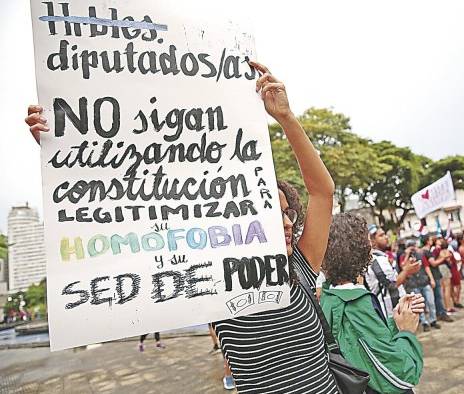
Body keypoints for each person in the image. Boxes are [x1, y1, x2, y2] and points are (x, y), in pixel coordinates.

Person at [26, 62, 339, 393]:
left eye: (288, 212)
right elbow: (133, 206)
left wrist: (286, 117)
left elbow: (323, 192)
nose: (287, 223)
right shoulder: (212, 283)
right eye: (272, 214)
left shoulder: (302, 268)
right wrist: (63, 146)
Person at [320, 213, 424, 394]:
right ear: (363, 250)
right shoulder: (355, 303)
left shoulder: (329, 296)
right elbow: (399, 376)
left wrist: (396, 322)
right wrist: (407, 332)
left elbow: (365, 349)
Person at [365, 227, 420, 317]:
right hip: (390, 312)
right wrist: (406, 271)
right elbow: (392, 285)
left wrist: (408, 270)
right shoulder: (377, 259)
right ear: (373, 241)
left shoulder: (382, 257)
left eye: (385, 234)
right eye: (381, 235)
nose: (386, 237)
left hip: (395, 309)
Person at [400, 241, 440, 332]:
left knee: (431, 302)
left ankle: (433, 320)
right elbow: (403, 267)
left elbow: (426, 267)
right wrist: (407, 255)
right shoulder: (404, 257)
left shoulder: (420, 255)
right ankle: (424, 322)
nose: (412, 249)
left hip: (424, 281)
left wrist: (431, 279)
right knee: (419, 305)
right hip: (413, 284)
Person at [427, 237, 453, 322]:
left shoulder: (436, 250)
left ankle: (446, 308)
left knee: (444, 290)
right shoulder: (438, 251)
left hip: (441, 269)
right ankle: (447, 307)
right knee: (446, 289)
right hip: (443, 268)